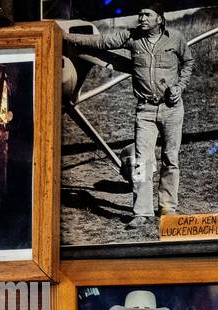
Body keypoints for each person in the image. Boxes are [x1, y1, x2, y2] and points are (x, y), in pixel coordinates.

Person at [64, 5, 194, 228]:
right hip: (145, 110)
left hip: (172, 109)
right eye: (140, 14)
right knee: (141, 162)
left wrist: (180, 87)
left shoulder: (176, 39)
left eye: (147, 15)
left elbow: (188, 62)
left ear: (160, 20)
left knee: (170, 160)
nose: (141, 18)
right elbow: (102, 42)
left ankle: (168, 208)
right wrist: (65, 37)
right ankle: (141, 212)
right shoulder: (131, 37)